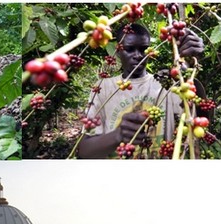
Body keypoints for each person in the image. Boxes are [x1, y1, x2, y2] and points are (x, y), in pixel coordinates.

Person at [77, 23, 205, 159]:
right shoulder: (103, 88)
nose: (138, 55)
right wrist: (118, 135)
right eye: (129, 49)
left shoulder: (166, 84)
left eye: (143, 49)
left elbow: (199, 121)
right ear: (118, 50)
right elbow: (84, 151)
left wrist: (192, 69)